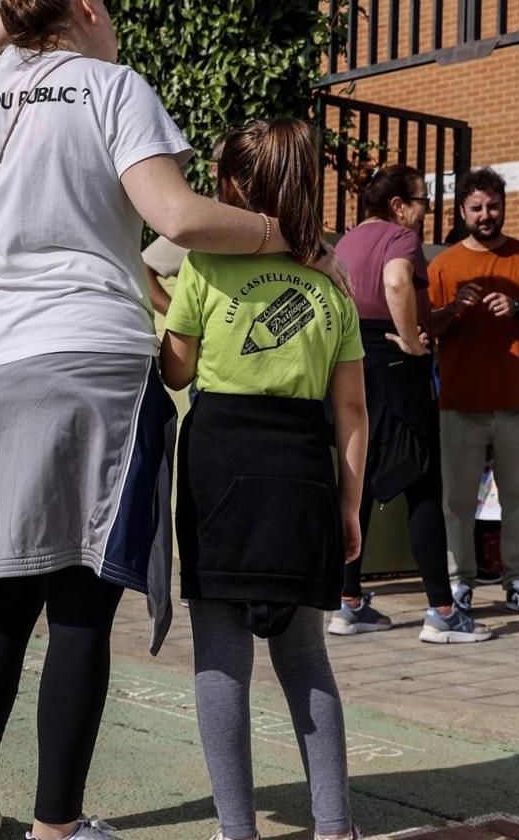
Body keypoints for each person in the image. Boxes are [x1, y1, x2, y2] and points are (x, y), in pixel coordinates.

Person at [0, 0, 342, 840]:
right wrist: (288, 236)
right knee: (82, 593)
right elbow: (180, 217)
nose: (113, 22)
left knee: (3, 588)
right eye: (105, 5)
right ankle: (57, 826)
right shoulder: (112, 89)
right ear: (82, 0)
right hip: (95, 360)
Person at [160, 117, 367, 840]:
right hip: (303, 464)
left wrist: (166, 315)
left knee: (221, 653)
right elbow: (352, 409)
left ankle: (237, 830)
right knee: (305, 654)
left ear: (242, 188)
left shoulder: (205, 266)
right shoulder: (330, 277)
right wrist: (350, 505)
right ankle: (334, 826)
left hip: (219, 461)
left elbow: (177, 369)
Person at [327, 163, 490, 644]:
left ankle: (348, 602)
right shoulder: (400, 239)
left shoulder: (350, 241)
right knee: (421, 483)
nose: (426, 211)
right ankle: (442, 612)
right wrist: (414, 346)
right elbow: (397, 284)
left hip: (353, 358)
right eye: (422, 201)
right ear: (399, 205)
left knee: (362, 475)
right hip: (396, 367)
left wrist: (450, 313)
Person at [427, 168, 519, 618]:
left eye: (493, 205)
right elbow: (426, 327)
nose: (486, 215)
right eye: (477, 208)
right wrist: (453, 309)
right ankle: (459, 582)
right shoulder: (443, 265)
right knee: (457, 500)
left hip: (518, 399)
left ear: (503, 205)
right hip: (460, 402)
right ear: (462, 211)